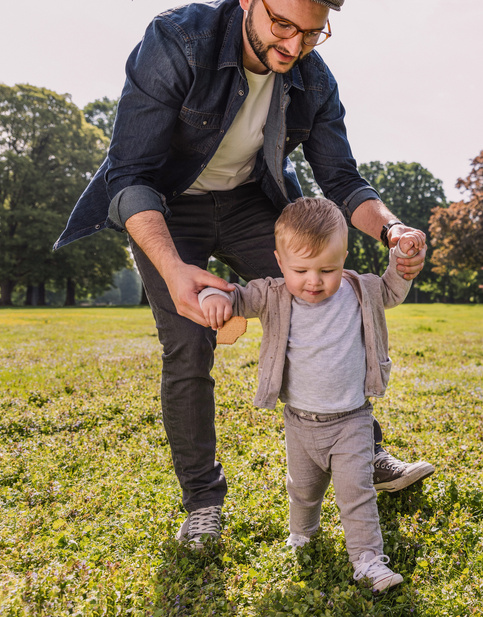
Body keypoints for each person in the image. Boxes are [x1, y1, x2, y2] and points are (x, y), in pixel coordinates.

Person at [55, 0, 434, 547]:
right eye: (282, 24)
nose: (293, 46)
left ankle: (365, 451)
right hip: (165, 206)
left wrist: (394, 230)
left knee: (326, 299)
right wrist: (172, 267)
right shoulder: (177, 41)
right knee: (187, 343)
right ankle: (203, 502)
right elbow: (129, 174)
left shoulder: (312, 78)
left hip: (251, 203)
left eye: (310, 33)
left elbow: (343, 179)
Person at [199, 197, 423, 592]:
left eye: (328, 269)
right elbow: (237, 296)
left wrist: (400, 262)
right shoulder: (272, 294)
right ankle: (302, 535)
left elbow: (390, 290)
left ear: (344, 258)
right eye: (300, 270)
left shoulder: (358, 290)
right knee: (302, 491)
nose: (314, 281)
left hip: (352, 419)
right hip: (300, 423)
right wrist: (214, 298)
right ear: (279, 262)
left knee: (358, 494)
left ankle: (368, 560)